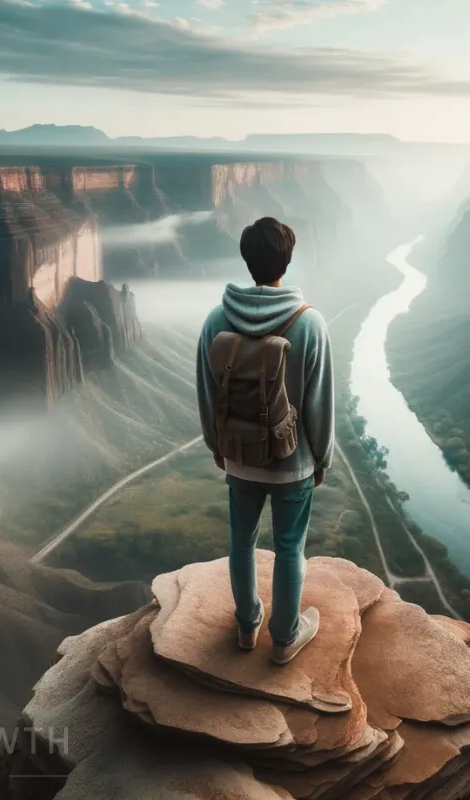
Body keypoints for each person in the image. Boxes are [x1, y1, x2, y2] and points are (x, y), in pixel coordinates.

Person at [196, 217, 335, 666]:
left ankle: (245, 628)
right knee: (290, 547)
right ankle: (284, 639)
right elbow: (319, 402)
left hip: (238, 456)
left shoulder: (216, 320)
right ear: (288, 261)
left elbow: (205, 389)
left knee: (242, 541)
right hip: (292, 460)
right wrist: (321, 458)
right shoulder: (309, 324)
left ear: (246, 259)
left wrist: (216, 446)